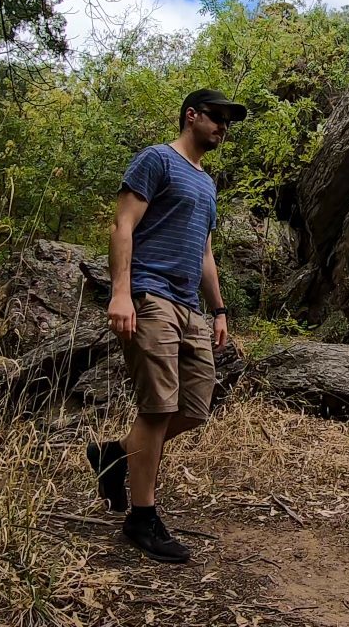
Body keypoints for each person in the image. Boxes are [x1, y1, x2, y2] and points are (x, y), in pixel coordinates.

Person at [86, 89, 247, 563]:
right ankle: (142, 517)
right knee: (157, 409)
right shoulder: (156, 160)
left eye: (228, 121)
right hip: (150, 295)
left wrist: (217, 310)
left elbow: (204, 253)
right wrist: (120, 293)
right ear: (191, 116)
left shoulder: (208, 184)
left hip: (189, 306)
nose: (223, 126)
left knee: (194, 407)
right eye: (216, 117)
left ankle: (115, 455)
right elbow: (123, 225)